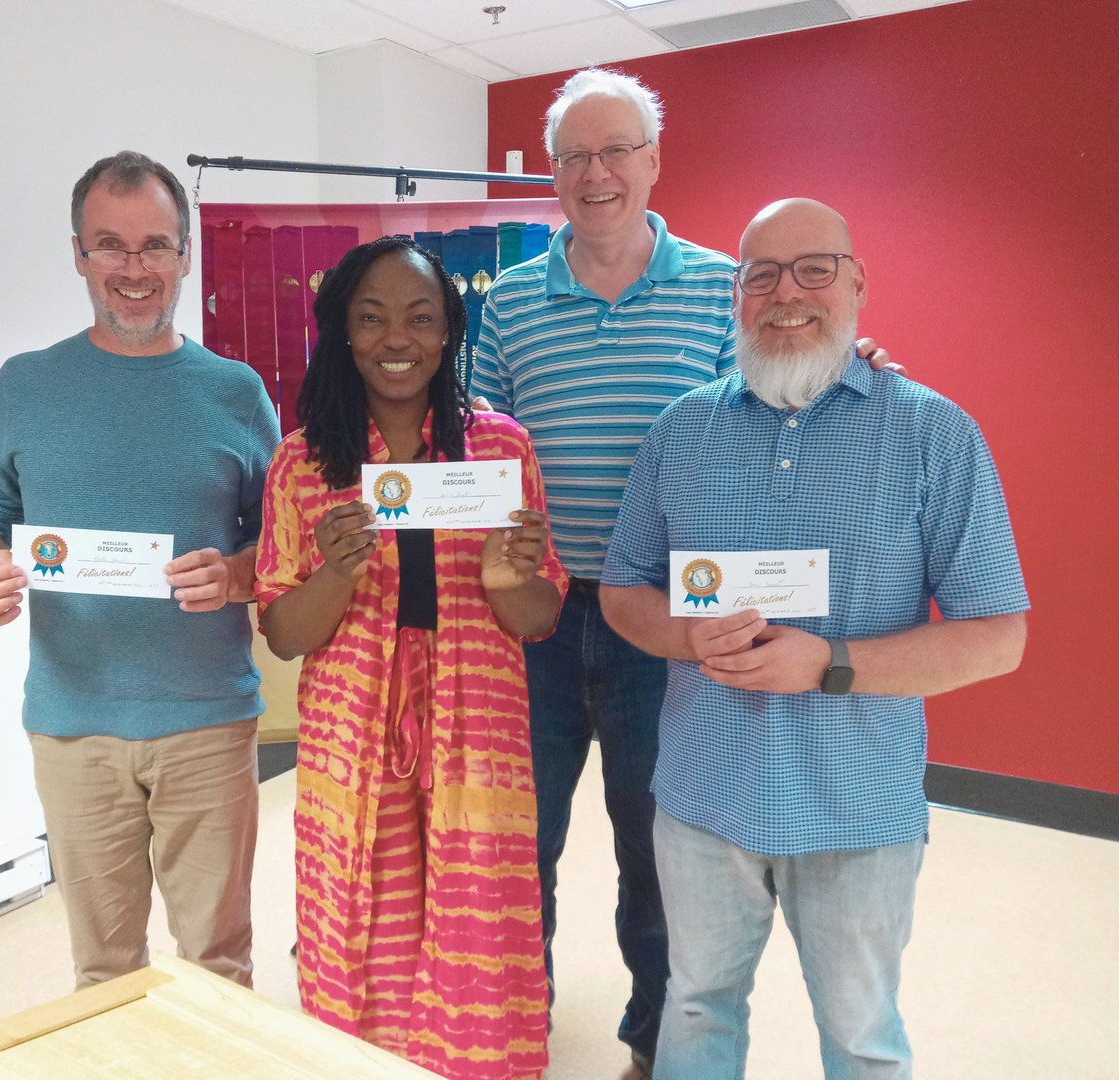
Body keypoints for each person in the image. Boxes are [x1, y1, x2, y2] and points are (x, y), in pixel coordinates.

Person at [469, 67, 895, 1074]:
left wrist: (852, 363)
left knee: (658, 857)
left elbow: (774, 411)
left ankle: (655, 1046)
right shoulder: (511, 302)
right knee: (511, 847)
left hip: (665, 621)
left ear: (654, 163)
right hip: (533, 618)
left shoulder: (729, 288)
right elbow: (479, 452)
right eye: (574, 155)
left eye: (616, 150)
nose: (596, 172)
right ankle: (503, 1028)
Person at [598, 198, 1028, 1079]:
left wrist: (827, 664)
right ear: (736, 296)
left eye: (813, 269)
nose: (786, 293)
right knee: (693, 1005)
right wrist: (686, 639)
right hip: (701, 797)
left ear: (858, 284)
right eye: (761, 275)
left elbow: (998, 637)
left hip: (858, 809)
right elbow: (618, 589)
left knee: (863, 1038)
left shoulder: (934, 434)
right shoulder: (682, 432)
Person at [0, 151, 279, 990]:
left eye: (155, 247)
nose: (135, 270)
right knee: (104, 970)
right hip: (73, 722)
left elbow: (282, 539)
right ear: (78, 255)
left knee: (217, 962)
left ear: (185, 255)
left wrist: (239, 575)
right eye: (111, 246)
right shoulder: (25, 387)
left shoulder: (236, 392)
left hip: (207, 719)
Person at [255, 236, 566, 1080]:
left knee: (477, 905)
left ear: (449, 334)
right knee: (363, 902)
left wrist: (508, 580)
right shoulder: (302, 462)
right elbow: (284, 633)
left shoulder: (502, 450)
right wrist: (334, 573)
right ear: (344, 334)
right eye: (373, 318)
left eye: (421, 318)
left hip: (478, 720)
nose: (398, 339)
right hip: (352, 728)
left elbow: (538, 616)